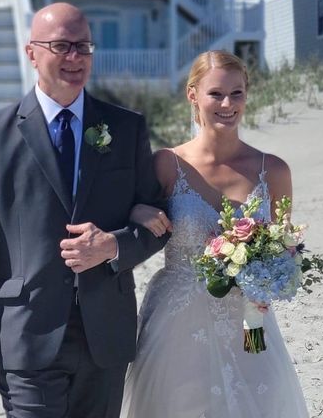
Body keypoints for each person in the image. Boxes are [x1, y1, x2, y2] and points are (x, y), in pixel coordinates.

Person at [0, 2, 168, 418]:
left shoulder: (126, 127)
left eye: (83, 47)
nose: (74, 58)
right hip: (24, 334)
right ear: (32, 53)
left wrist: (113, 246)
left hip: (106, 335)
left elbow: (159, 221)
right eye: (61, 46)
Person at [121, 50, 309, 417]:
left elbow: (286, 248)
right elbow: (123, 214)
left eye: (236, 93)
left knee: (260, 398)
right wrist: (136, 209)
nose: (227, 104)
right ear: (193, 95)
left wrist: (276, 279)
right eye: (216, 94)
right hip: (177, 319)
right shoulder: (166, 164)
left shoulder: (274, 170)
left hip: (250, 320)